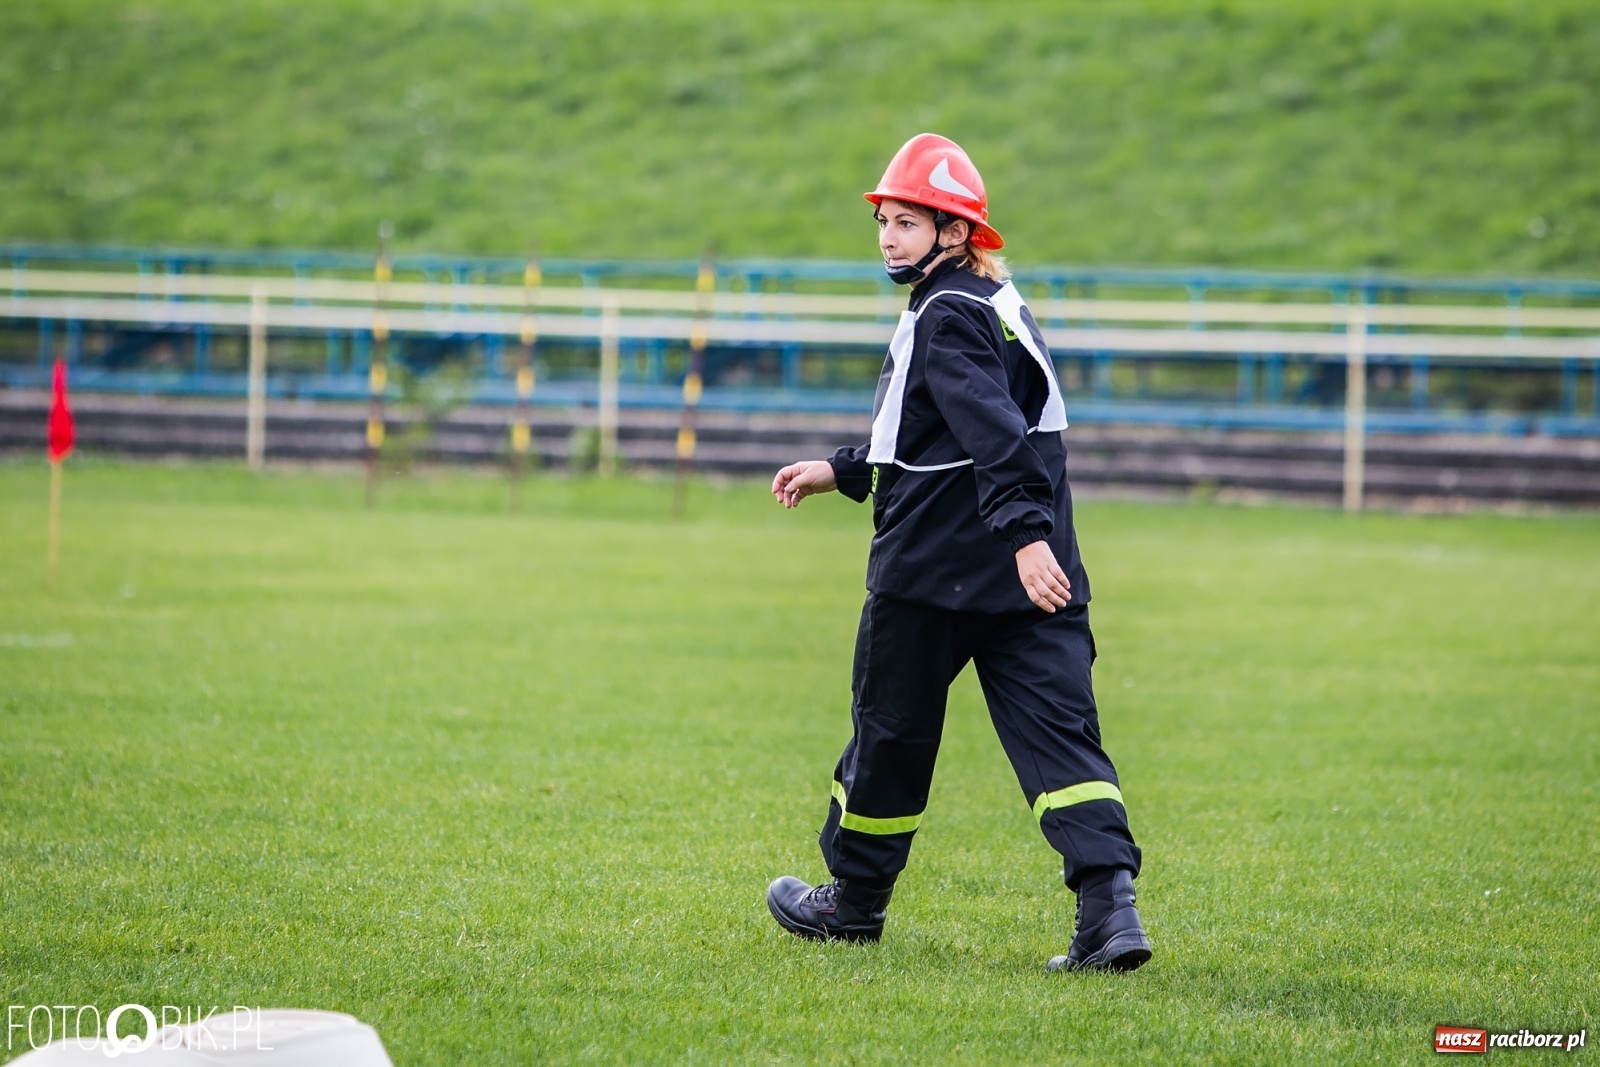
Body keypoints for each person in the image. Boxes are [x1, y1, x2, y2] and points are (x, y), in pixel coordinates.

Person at [765, 133, 1151, 972]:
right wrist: (840, 469)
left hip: (940, 570)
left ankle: (855, 904)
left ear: (957, 231)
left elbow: (992, 432)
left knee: (889, 736)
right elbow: (926, 433)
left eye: (907, 222)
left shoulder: (945, 314)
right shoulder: (996, 302)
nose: (888, 237)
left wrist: (1018, 535)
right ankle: (1110, 913)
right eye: (884, 222)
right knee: (1064, 742)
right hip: (1037, 573)